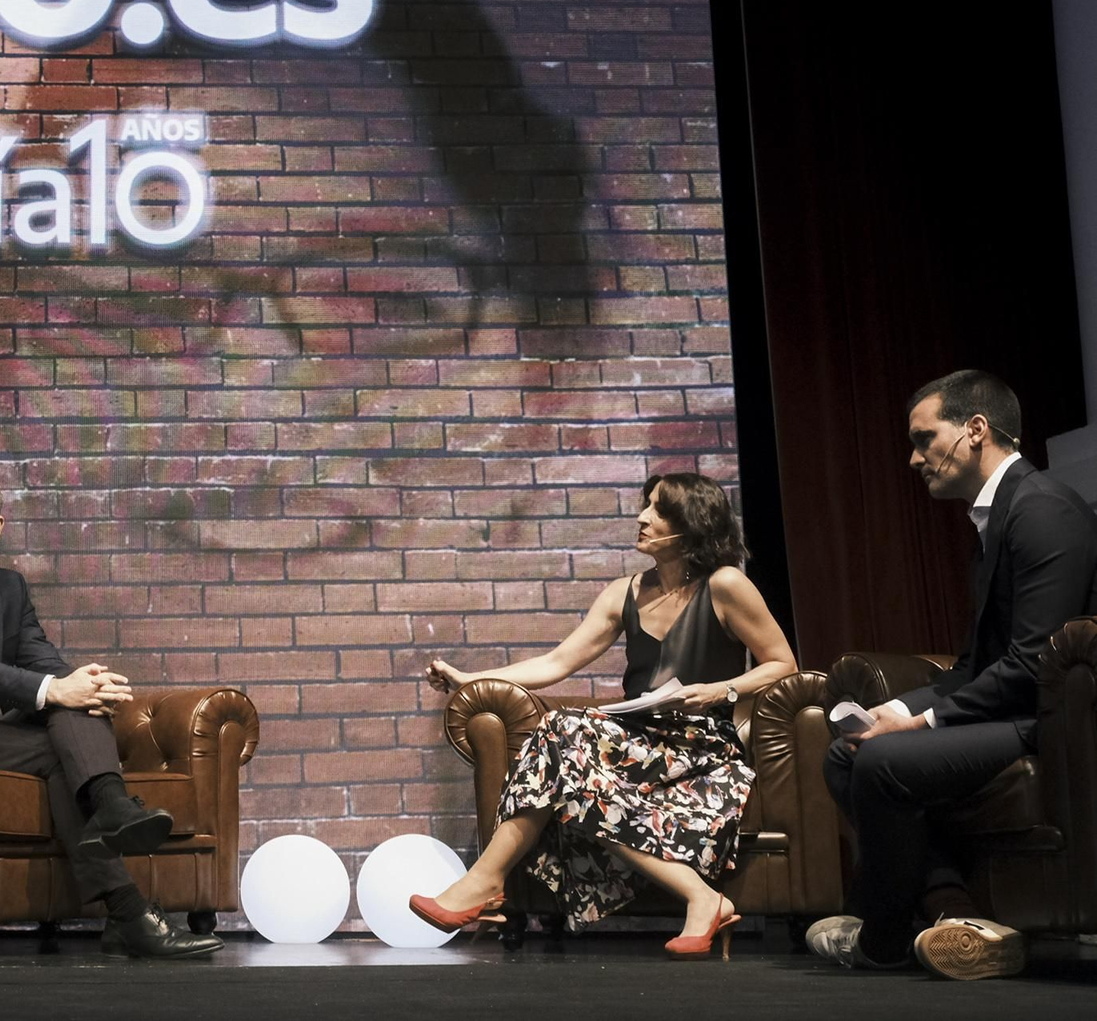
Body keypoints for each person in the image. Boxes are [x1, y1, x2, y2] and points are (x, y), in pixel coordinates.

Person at [412, 472, 797, 958]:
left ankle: (485, 882)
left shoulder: (724, 585)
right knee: (562, 740)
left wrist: (720, 691)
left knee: (561, 735)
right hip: (637, 745)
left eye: (657, 510)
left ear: (690, 522)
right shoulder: (625, 592)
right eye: (646, 506)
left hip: (699, 750)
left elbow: (783, 663)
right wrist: (471, 680)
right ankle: (701, 897)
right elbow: (556, 663)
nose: (641, 518)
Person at [0, 468, 222, 959]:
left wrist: (83, 685)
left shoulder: (10, 587)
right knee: (59, 723)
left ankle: (111, 814)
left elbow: (39, 656)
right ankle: (127, 901)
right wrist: (56, 689)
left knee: (76, 705)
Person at [810, 371, 1097, 979]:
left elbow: (1031, 664)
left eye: (923, 439)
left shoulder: (1042, 510)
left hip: (1048, 719)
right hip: (1014, 706)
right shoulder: (997, 516)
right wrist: (893, 712)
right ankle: (955, 916)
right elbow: (975, 663)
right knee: (847, 751)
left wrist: (918, 718)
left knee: (883, 763)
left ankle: (885, 938)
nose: (914, 459)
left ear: (975, 430)